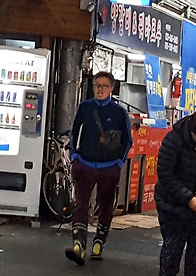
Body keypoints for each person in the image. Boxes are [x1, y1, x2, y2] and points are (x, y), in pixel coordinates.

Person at [65, 71, 133, 264]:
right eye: (97, 85)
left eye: (104, 86)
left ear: (111, 88)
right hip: (84, 164)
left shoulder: (119, 112)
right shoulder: (85, 107)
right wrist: (75, 156)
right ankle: (79, 246)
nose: (100, 89)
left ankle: (99, 243)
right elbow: (74, 132)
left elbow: (127, 140)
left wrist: (119, 162)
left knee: (105, 206)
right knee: (80, 204)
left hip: (109, 167)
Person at [156, 107, 196, 276]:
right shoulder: (173, 140)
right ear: (193, 131)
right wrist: (188, 198)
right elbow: (165, 174)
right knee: (171, 256)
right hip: (175, 207)